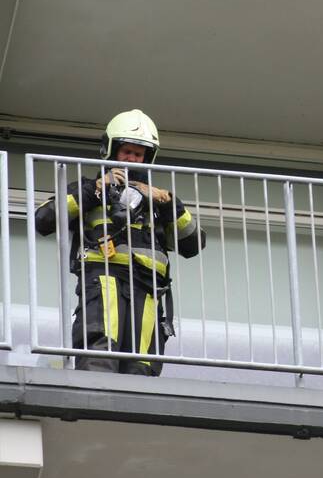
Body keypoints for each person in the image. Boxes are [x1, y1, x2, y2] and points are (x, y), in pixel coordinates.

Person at [35, 109, 205, 374]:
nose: (132, 159)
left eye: (138, 155)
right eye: (127, 152)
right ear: (110, 151)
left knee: (142, 365)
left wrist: (171, 204)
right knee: (100, 355)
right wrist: (96, 189)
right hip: (102, 282)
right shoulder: (88, 188)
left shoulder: (157, 202)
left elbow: (193, 244)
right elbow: (44, 219)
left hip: (148, 290)